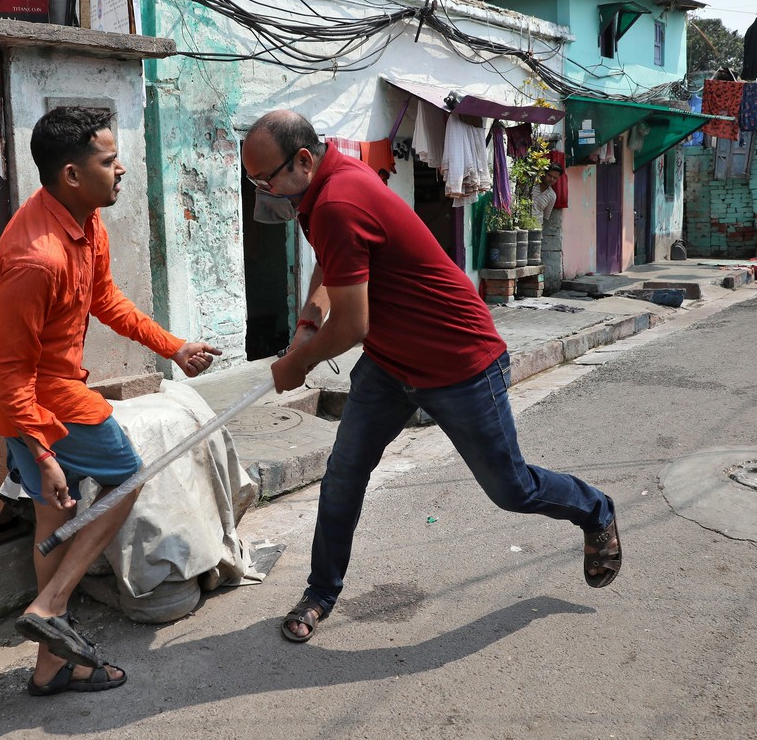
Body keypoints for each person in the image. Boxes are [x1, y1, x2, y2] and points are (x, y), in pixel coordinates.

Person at [241, 110, 621, 644]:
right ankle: (321, 592)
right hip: (391, 364)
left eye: (267, 179)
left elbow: (353, 323)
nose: (264, 190)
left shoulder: (337, 200)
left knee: (511, 489)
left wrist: (295, 364)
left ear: (303, 159)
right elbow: (332, 266)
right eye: (255, 181)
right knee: (344, 473)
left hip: (458, 363)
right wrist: (307, 321)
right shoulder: (319, 191)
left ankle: (595, 510)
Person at [0, 106, 220, 693]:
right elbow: (9, 374)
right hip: (35, 399)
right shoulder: (37, 257)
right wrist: (42, 451)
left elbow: (106, 301)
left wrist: (174, 346)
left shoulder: (85, 222)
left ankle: (49, 666)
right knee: (128, 477)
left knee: (53, 518)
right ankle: (51, 607)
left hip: (41, 394)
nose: (122, 170)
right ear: (71, 173)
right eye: (110, 161)